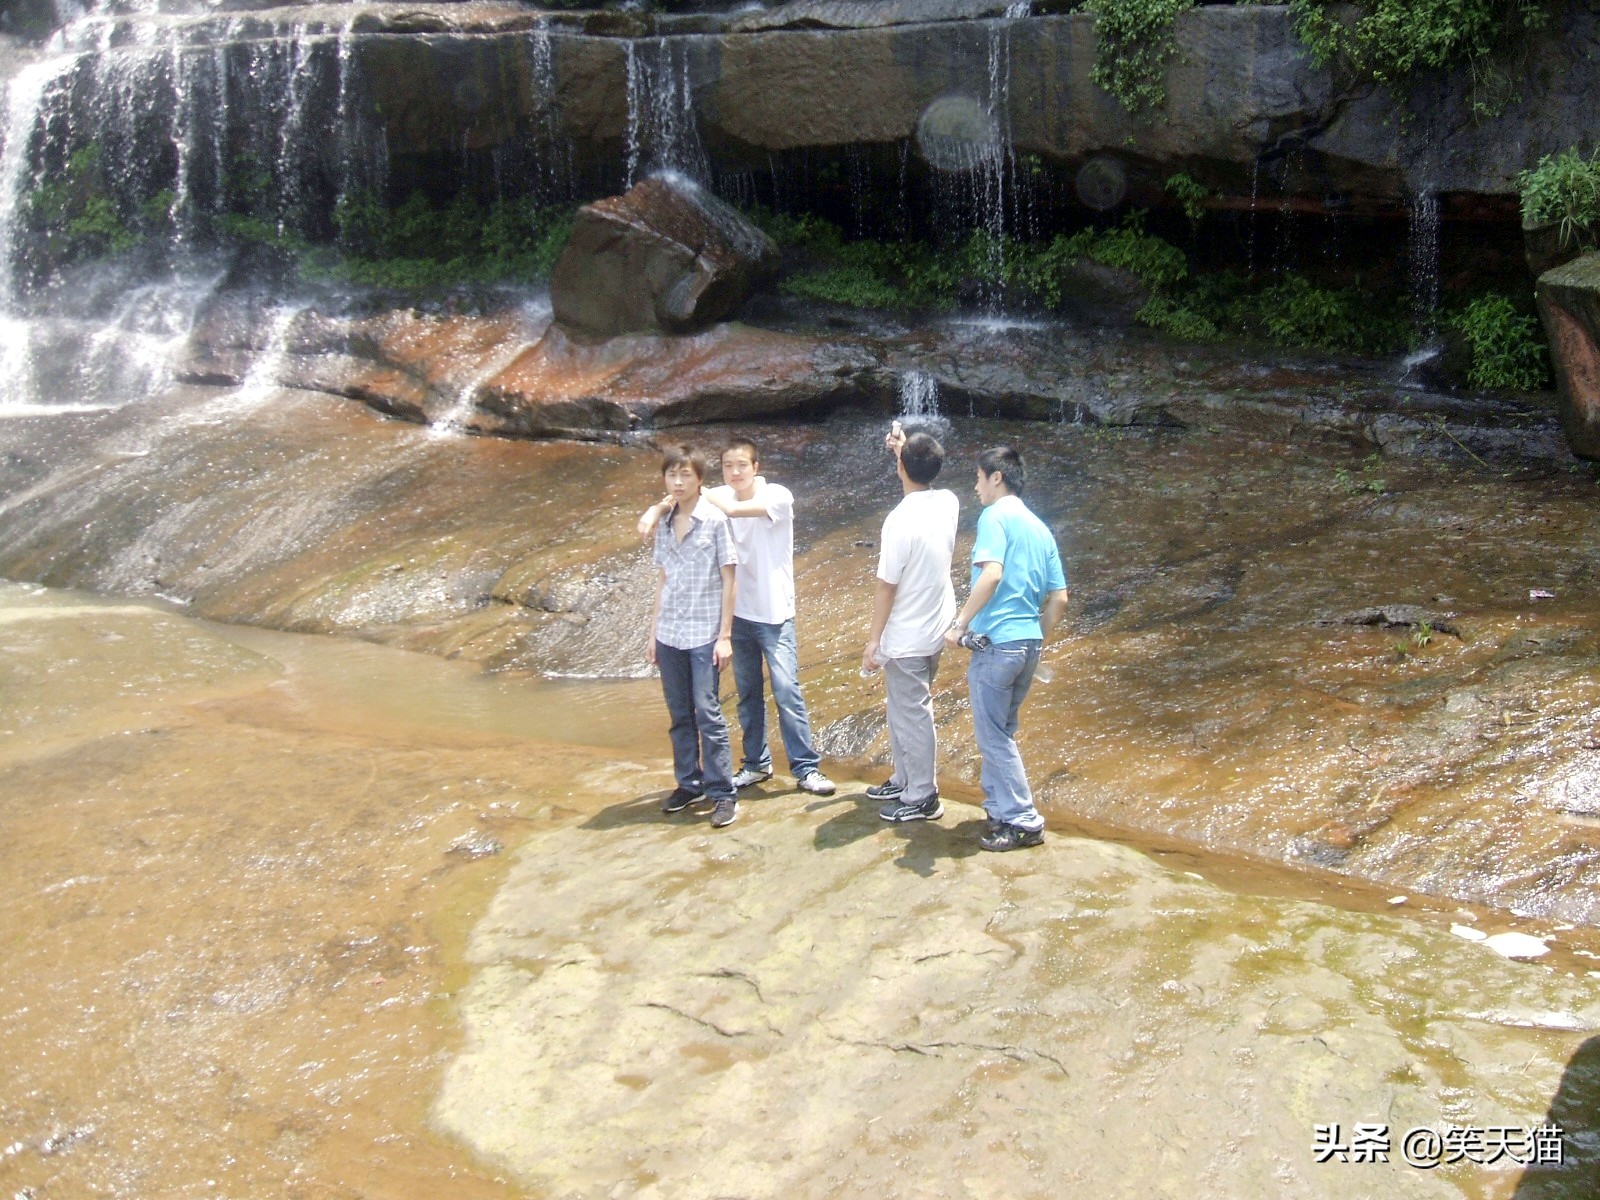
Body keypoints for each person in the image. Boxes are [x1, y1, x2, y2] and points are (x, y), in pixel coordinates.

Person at [645, 437, 837, 798]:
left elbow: (723, 507)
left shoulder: (778, 495)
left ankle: (806, 767)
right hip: (736, 615)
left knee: (785, 688)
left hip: (774, 612)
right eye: (728, 466)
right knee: (747, 693)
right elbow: (679, 493)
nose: (735, 472)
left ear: (756, 467)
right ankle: (755, 763)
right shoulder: (716, 493)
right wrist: (657, 510)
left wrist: (692, 492)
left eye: (742, 466)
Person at [945, 446, 1068, 851]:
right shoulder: (1040, 526)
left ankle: (1023, 820)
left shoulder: (994, 516)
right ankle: (999, 810)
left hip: (998, 644)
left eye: (979, 478)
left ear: (996, 477)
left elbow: (991, 574)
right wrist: (1035, 637)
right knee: (1003, 731)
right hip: (1028, 644)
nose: (976, 486)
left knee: (993, 737)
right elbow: (1060, 599)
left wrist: (959, 624)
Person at [862, 427, 959, 823]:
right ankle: (904, 779)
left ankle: (923, 795)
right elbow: (922, 477)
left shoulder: (898, 521)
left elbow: (886, 587)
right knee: (903, 710)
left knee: (913, 713)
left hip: (906, 637)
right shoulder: (948, 501)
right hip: (936, 625)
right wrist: (903, 451)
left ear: (902, 467)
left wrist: (873, 642)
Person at [646, 443, 741, 828]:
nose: (679, 481)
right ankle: (689, 783)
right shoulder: (665, 524)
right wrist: (653, 634)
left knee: (708, 712)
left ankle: (722, 792)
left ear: (701, 480)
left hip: (704, 633)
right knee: (679, 713)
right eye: (672, 474)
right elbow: (662, 580)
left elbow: (729, 578)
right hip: (670, 632)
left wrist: (725, 635)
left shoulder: (716, 521)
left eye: (686, 474)